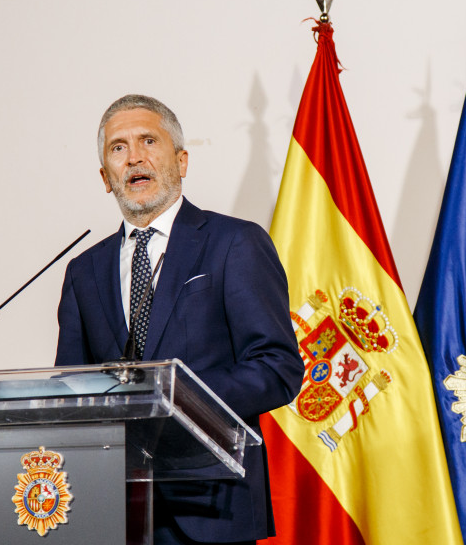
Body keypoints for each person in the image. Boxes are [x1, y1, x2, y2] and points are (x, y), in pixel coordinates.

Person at [55, 94, 303, 545]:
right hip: (114, 513)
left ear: (182, 160)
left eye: (149, 141)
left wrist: (175, 399)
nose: (134, 158)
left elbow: (276, 367)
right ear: (105, 178)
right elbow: (71, 386)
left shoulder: (234, 243)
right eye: (118, 148)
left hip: (211, 507)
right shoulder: (83, 271)